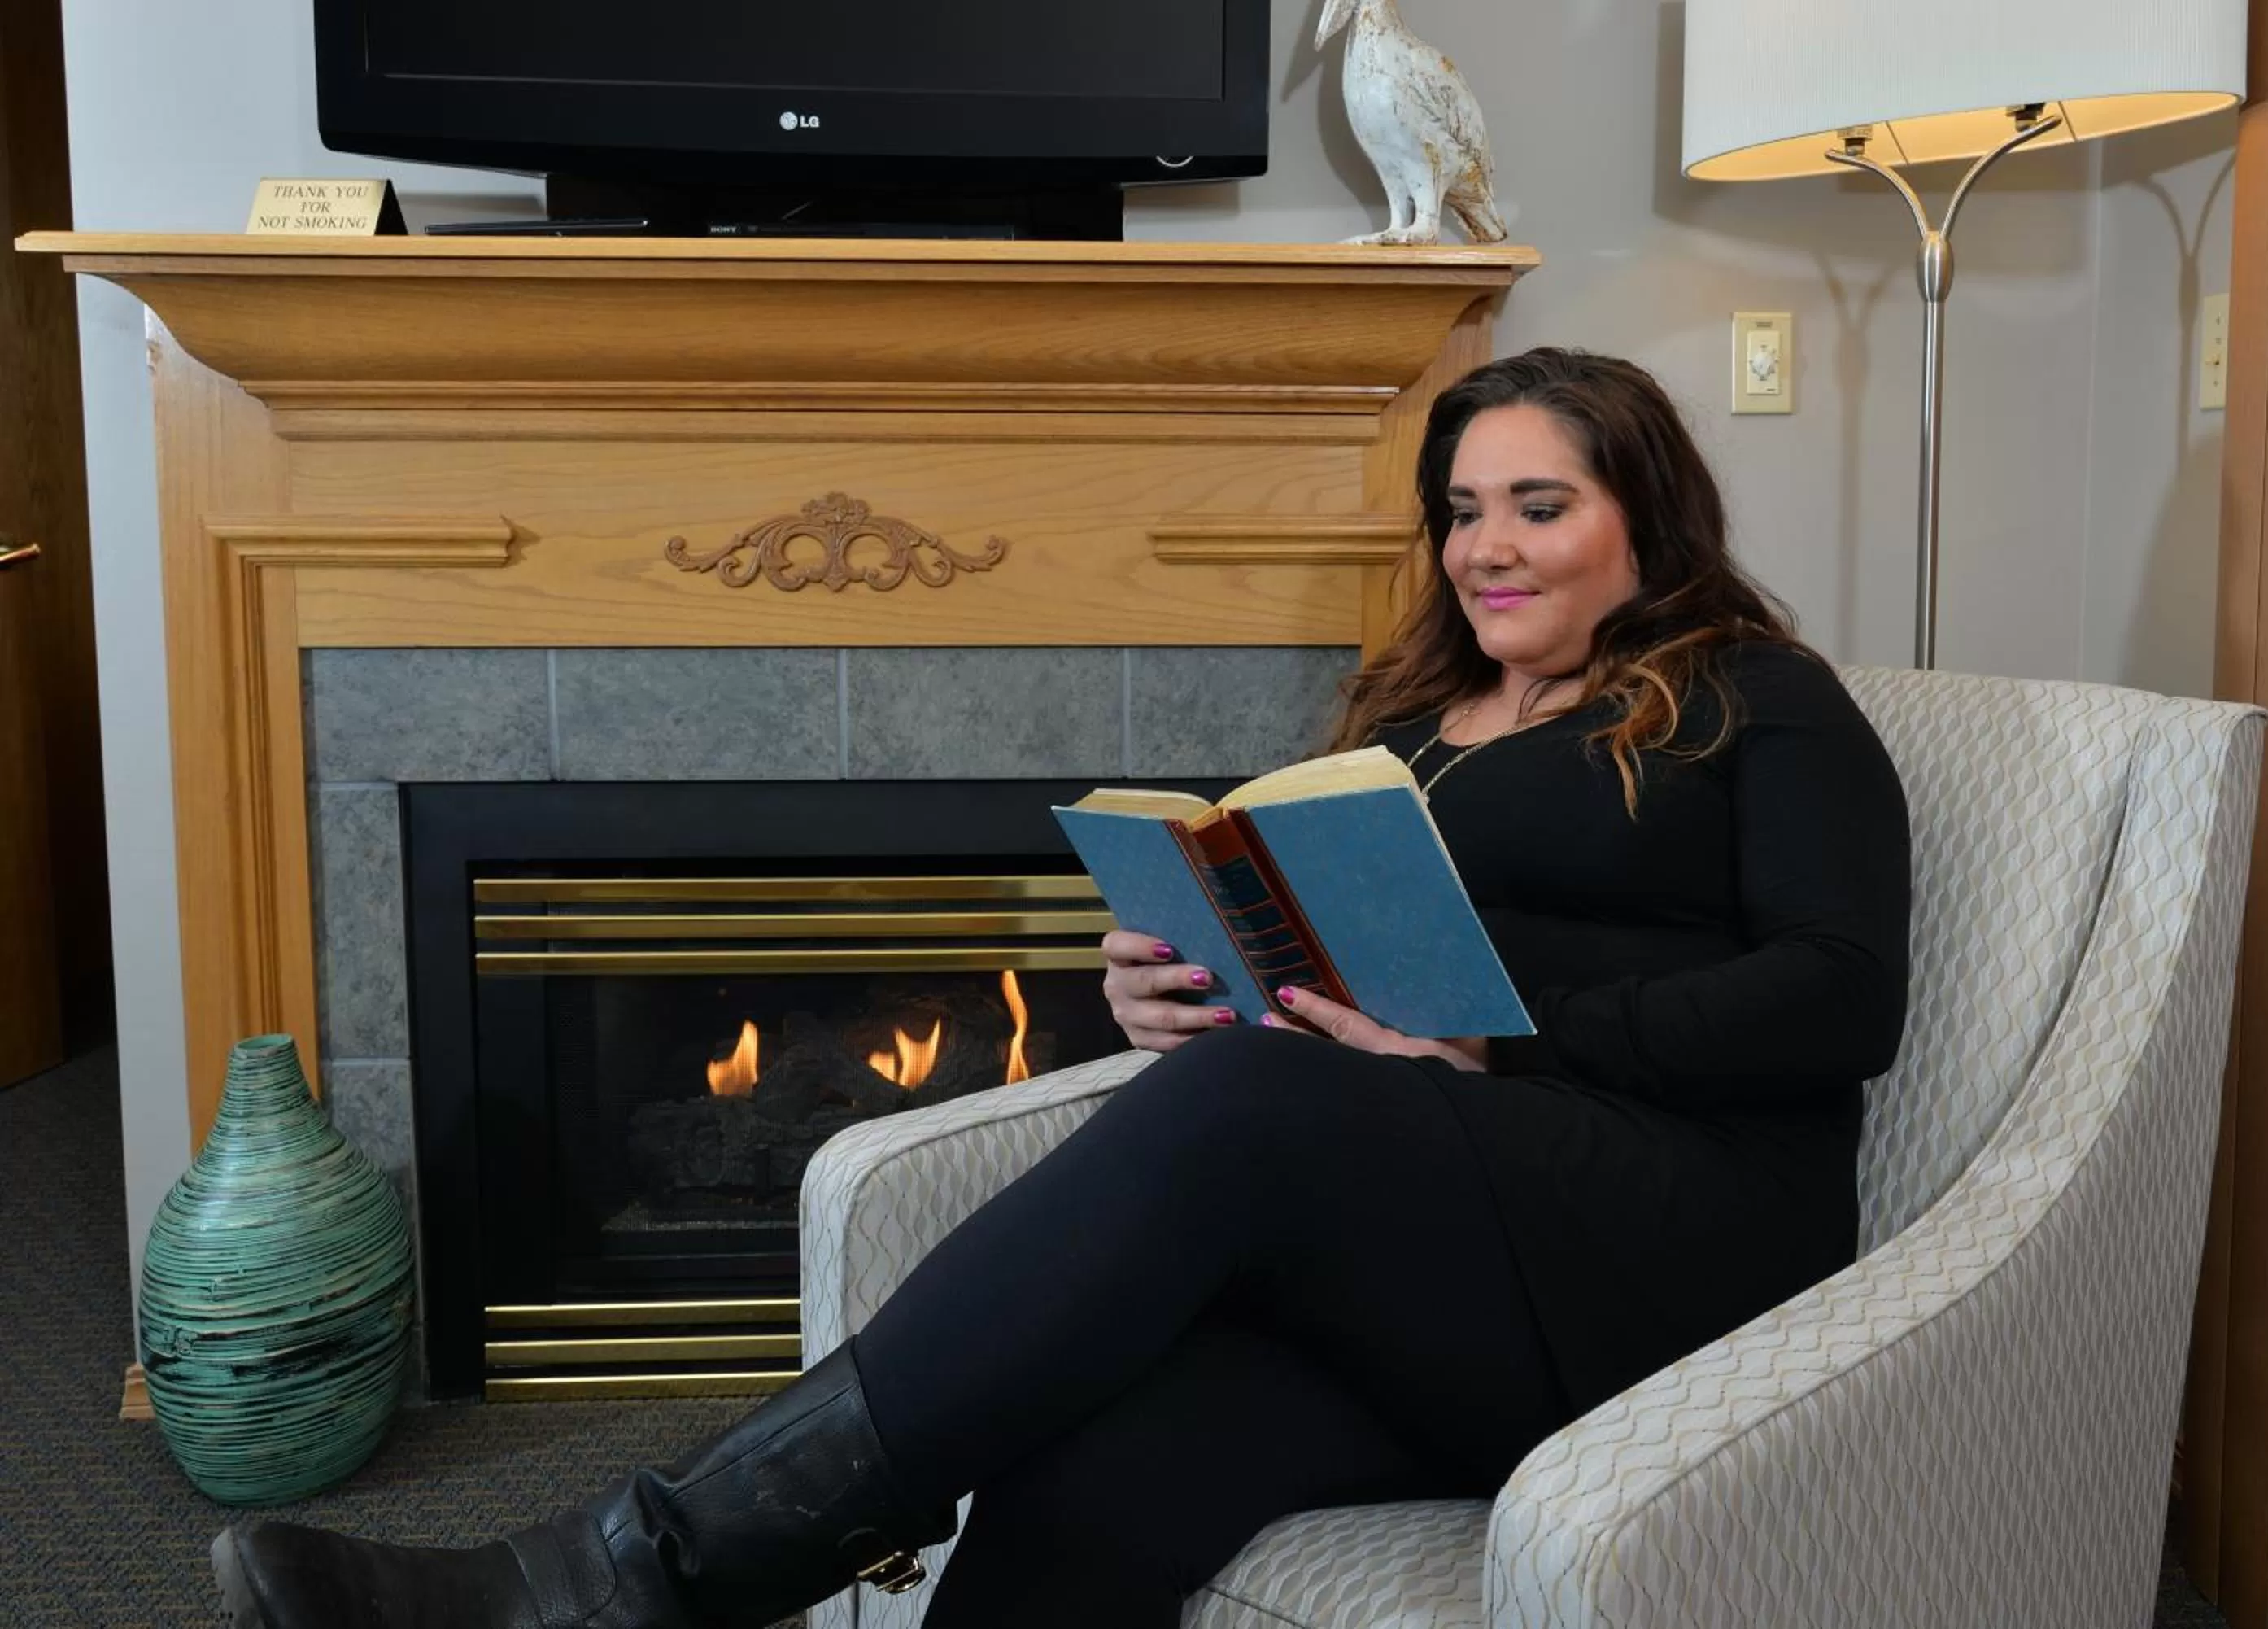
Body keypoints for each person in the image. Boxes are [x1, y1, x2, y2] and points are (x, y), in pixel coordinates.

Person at [209, 347, 1912, 1629]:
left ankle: (622, 1576)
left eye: (1541, 505)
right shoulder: (1411, 723)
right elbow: (1343, 1000)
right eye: (1462, 510)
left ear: (1647, 521)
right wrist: (1188, 981)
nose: (1487, 547)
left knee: (1255, 1107)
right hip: (1445, 1255)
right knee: (1101, 1457)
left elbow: (1843, 996)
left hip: (1669, 1243)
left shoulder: (1755, 697)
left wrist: (1502, 1033)